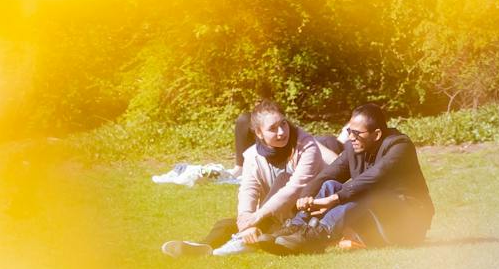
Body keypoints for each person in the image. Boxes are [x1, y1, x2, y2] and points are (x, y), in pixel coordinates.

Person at [162, 100, 336, 257]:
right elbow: (248, 189)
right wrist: (245, 218)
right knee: (225, 224)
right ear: (259, 133)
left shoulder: (306, 146)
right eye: (273, 128)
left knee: (284, 178)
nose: (282, 132)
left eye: (283, 124)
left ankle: (242, 241)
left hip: (305, 212)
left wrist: (257, 217)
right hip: (273, 215)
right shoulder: (253, 155)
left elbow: (295, 187)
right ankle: (203, 246)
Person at [269, 103, 432, 253]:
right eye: (349, 131)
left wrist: (334, 199)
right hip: (376, 218)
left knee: (368, 191)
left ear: (376, 134)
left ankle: (320, 234)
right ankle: (297, 226)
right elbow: (328, 174)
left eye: (356, 133)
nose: (351, 137)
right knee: (329, 185)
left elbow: (374, 177)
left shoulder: (400, 146)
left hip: (408, 224)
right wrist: (305, 197)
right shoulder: (354, 149)